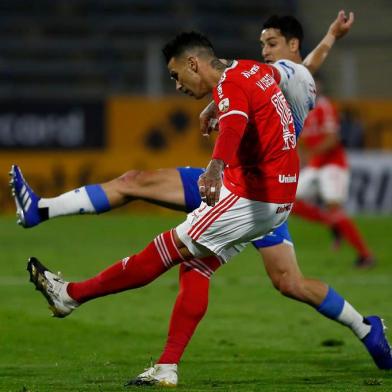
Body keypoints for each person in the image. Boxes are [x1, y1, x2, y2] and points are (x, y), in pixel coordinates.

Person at [11, 13, 392, 387]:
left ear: (194, 63)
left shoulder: (234, 82)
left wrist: (214, 166)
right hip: (270, 197)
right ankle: (167, 367)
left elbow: (235, 124)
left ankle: (71, 295)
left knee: (164, 248)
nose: (176, 85)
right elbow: (297, 70)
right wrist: (329, 38)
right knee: (202, 266)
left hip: (247, 194)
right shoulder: (265, 71)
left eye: (176, 75)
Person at [293, 79, 374, 268]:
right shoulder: (301, 109)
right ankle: (332, 224)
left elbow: (332, 139)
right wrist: (302, 156)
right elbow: (301, 141)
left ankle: (366, 255)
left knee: (334, 206)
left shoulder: (324, 106)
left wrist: (309, 155)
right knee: (289, 202)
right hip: (315, 166)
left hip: (333, 165)